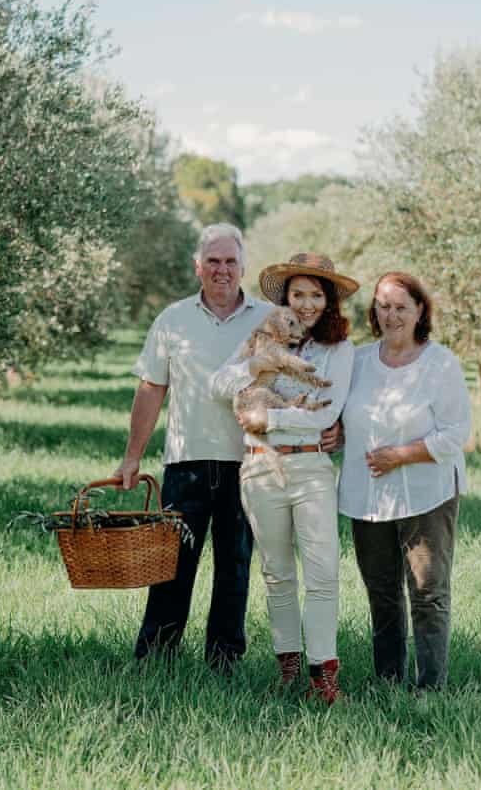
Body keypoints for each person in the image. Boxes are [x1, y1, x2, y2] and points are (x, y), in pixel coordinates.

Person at [116, 223, 272, 671]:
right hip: (186, 463)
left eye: (230, 262)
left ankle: (224, 663)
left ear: (243, 266)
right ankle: (155, 659)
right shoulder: (172, 319)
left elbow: (288, 383)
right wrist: (132, 456)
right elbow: (150, 389)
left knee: (234, 568)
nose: (222, 270)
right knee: (171, 566)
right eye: (213, 261)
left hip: (248, 462)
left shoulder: (266, 319)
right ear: (197, 266)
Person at [211, 253, 359, 703]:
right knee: (276, 574)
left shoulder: (340, 350)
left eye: (316, 294)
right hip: (260, 467)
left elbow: (327, 416)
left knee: (322, 573)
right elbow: (218, 385)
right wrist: (254, 370)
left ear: (329, 300)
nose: (307, 303)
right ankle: (288, 668)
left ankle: (324, 676)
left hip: (310, 468)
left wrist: (265, 420)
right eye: (299, 294)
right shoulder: (261, 337)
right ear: (286, 299)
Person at [338, 271, 472, 691]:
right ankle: (388, 683)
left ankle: (430, 688)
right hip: (367, 495)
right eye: (383, 305)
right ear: (373, 310)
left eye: (400, 307)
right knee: (381, 592)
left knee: (427, 593)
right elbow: (342, 418)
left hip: (426, 493)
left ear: (419, 311)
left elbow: (455, 433)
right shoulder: (356, 361)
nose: (391, 314)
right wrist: (334, 434)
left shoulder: (441, 363)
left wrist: (399, 456)